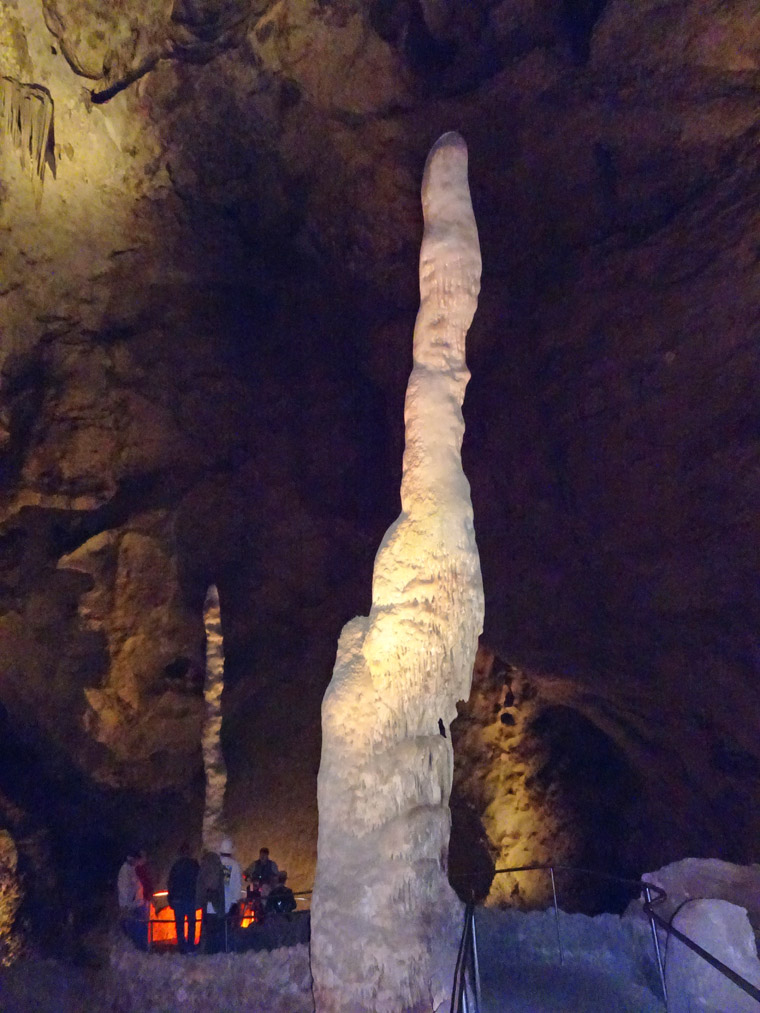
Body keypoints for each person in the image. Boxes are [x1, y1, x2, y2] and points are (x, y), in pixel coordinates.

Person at [167, 843, 199, 954]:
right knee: (191, 923)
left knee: (179, 924)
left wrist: (171, 898)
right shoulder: (194, 865)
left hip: (178, 899)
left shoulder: (176, 866)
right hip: (190, 898)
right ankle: (190, 945)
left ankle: (182, 946)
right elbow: (198, 882)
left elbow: (170, 883)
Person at [117, 850, 149, 951]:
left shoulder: (132, 869)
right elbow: (124, 889)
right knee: (137, 928)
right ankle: (139, 949)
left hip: (137, 903)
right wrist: (126, 905)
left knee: (141, 926)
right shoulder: (125, 871)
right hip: (132, 905)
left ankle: (142, 948)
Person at [196, 849, 225, 954]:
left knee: (207, 925)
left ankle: (207, 948)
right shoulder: (219, 866)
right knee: (216, 924)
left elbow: (200, 884)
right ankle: (216, 947)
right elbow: (222, 885)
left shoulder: (204, 867)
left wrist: (199, 901)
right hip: (216, 898)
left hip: (207, 898)